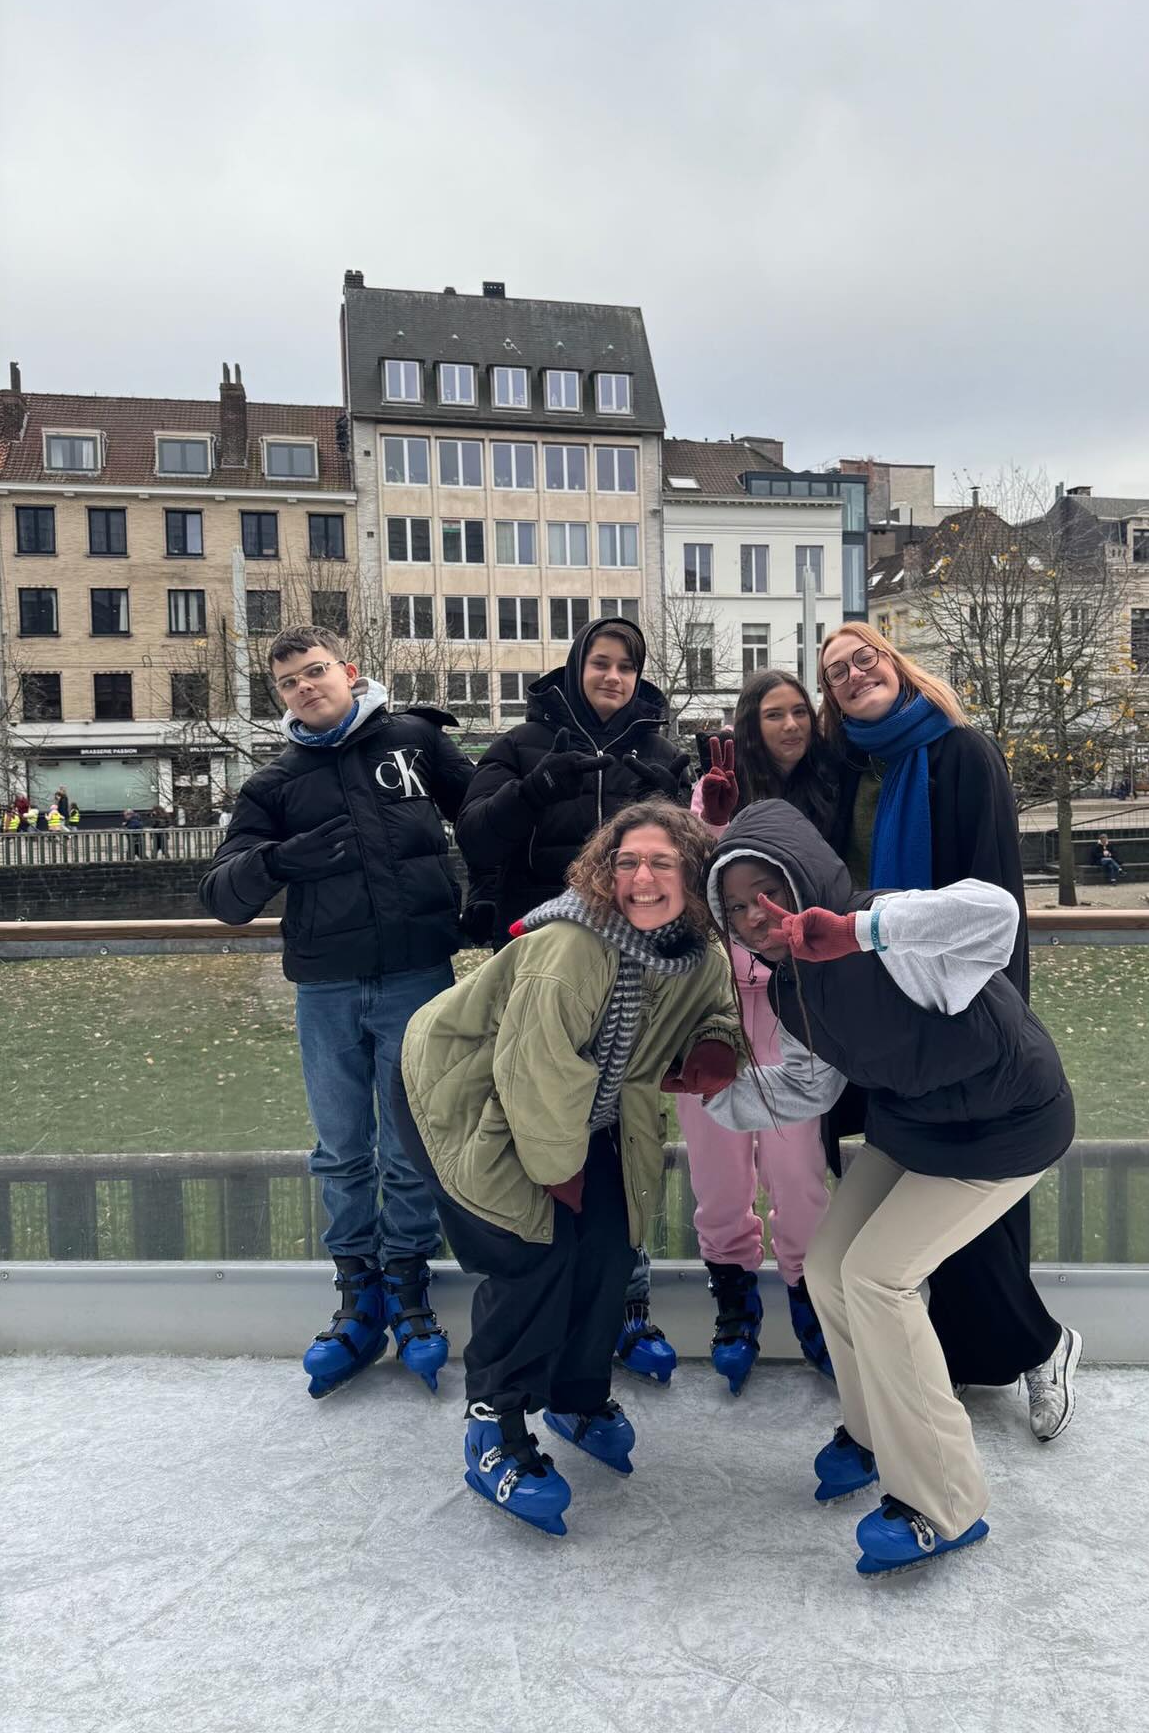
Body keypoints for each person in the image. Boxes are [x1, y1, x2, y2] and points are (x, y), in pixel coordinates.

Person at [703, 800, 1076, 1576]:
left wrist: (857, 932)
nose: (753, 915)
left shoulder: (888, 924)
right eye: (734, 908)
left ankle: (944, 1501)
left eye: (764, 889)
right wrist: (713, 1090)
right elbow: (805, 1089)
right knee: (834, 1268)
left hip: (1005, 1126)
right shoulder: (788, 993)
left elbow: (997, 916)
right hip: (915, 1126)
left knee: (879, 1280)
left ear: (801, 876)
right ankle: (874, 1433)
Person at [394, 802, 743, 1537]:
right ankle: (495, 1422)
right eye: (626, 862)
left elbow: (717, 1008)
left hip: (588, 1106)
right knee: (535, 1251)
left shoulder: (696, 954)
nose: (641, 879)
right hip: (464, 1089)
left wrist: (714, 1045)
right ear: (602, 872)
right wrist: (559, 1172)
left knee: (611, 1246)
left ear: (694, 876)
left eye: (662, 863)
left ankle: (576, 1396)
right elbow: (534, 1071)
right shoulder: (572, 949)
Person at [200, 625, 478, 1401]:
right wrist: (277, 861)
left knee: (412, 1143)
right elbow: (221, 895)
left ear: (349, 672)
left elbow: (488, 822)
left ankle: (410, 1283)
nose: (304, 688)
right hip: (325, 986)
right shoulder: (273, 785)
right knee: (341, 1148)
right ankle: (359, 1291)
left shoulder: (415, 741)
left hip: (418, 974)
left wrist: (489, 898)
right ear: (279, 694)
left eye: (315, 672)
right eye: (287, 682)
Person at [817, 621, 1080, 1438]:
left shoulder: (959, 752)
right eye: (837, 672)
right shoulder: (859, 767)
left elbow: (994, 898)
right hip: (892, 1009)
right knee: (919, 1194)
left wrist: (985, 1012)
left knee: (975, 1194)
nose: (855, 673)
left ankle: (1041, 1347)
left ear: (896, 665)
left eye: (865, 657)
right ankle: (965, 1358)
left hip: (961, 1006)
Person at [456, 616, 694, 1386]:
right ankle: (543, 1301)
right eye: (600, 662)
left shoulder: (658, 753)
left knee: (627, 1136)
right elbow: (476, 837)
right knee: (540, 1128)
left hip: (636, 973)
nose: (613, 677)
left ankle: (628, 1300)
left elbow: (686, 860)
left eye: (627, 666)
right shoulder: (523, 744)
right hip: (543, 970)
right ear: (575, 667)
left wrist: (695, 798)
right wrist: (535, 788)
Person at [685, 670, 840, 1387]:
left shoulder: (827, 791)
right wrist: (712, 818)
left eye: (798, 712)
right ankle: (734, 1299)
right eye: (772, 713)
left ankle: (809, 1296)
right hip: (712, 1003)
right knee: (718, 1165)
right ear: (750, 724)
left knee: (797, 1168)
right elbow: (695, 884)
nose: (789, 725)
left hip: (795, 1002)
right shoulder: (716, 790)